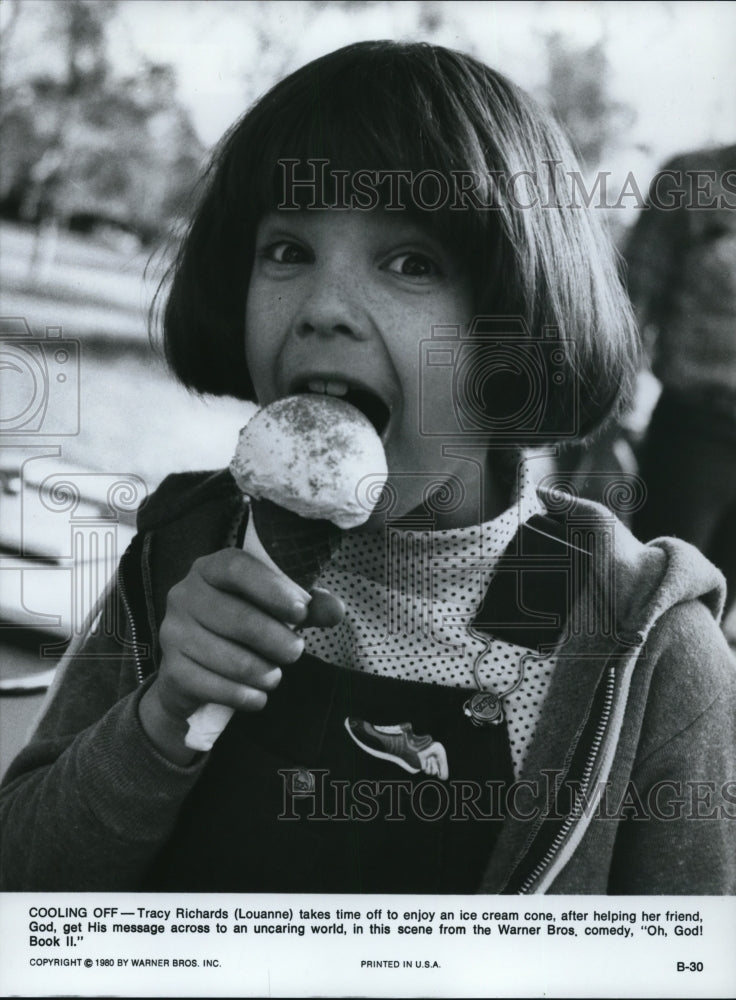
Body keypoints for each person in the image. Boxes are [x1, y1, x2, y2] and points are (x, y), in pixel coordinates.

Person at [1, 41, 734, 894]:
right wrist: (157, 722)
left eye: (410, 263)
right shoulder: (182, 550)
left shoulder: (640, 647)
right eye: (286, 251)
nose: (322, 309)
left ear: (518, 326)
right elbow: (21, 894)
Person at [626, 145, 736, 615]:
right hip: (697, 427)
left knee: (716, 624)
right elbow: (629, 299)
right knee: (659, 605)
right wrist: (610, 411)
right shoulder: (693, 178)